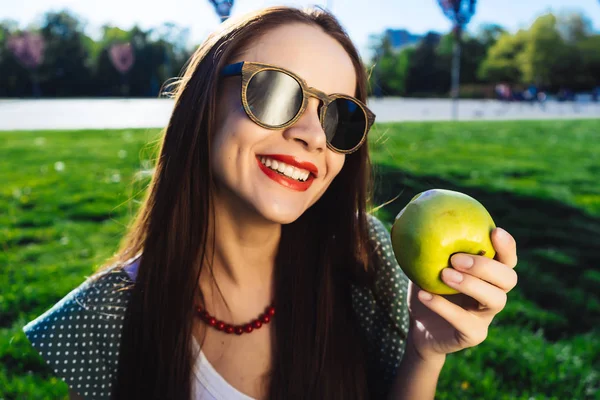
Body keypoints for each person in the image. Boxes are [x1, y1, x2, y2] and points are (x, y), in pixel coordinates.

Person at [22, 6, 519, 400]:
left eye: (340, 116)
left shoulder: (368, 258)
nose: (310, 135)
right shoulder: (103, 318)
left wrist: (425, 352)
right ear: (205, 101)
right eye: (276, 91)